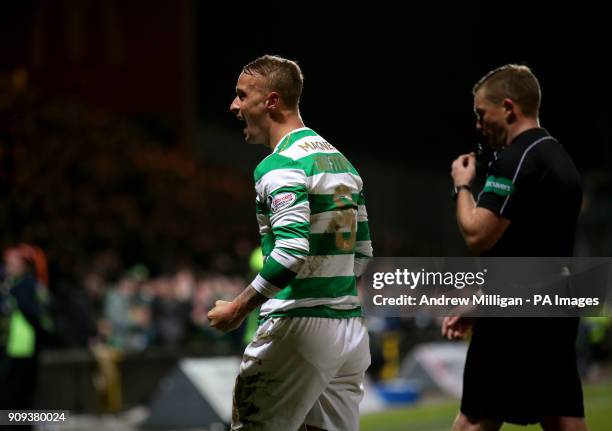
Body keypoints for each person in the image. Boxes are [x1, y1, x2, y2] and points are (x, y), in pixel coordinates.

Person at [207, 55, 373, 431]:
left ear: (271, 101)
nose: (234, 106)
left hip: (298, 326)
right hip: (348, 327)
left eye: (241, 95)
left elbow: (291, 251)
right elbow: (362, 254)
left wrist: (237, 308)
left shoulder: (279, 166)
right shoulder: (342, 163)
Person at [443, 64, 586, 431]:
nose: (478, 124)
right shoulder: (559, 157)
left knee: (474, 419)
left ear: (508, 107)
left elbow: (478, 235)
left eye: (481, 113)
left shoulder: (516, 158)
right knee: (563, 417)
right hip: (557, 304)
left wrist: (462, 186)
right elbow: (528, 248)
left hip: (515, 313)